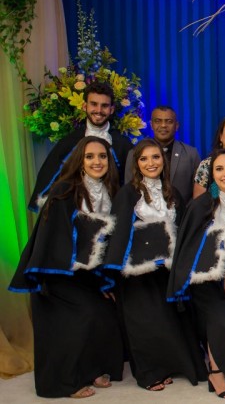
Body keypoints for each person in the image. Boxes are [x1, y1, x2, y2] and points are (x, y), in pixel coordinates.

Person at [9, 136, 124, 398]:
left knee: (105, 313)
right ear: (80, 161)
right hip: (57, 274)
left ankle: (92, 368)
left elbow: (99, 246)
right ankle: (64, 382)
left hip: (86, 276)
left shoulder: (109, 192)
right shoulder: (63, 191)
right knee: (81, 315)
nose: (97, 161)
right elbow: (54, 242)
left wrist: (102, 281)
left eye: (102, 156)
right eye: (90, 156)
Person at [105, 138, 206, 391]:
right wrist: (111, 275)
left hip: (166, 272)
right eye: (144, 159)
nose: (151, 163)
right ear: (136, 164)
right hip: (137, 274)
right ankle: (149, 373)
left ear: (164, 161)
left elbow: (183, 232)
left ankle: (174, 365)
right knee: (144, 325)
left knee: (169, 321)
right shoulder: (127, 194)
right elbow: (117, 236)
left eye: (156, 158)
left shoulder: (174, 194)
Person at [168, 149, 225, 399]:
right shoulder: (201, 204)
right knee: (217, 317)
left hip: (222, 274)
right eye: (219, 169)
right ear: (211, 175)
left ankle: (224, 363)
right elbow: (189, 246)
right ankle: (215, 372)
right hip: (199, 276)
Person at [28, 81, 133, 211]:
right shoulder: (70, 141)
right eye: (94, 104)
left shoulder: (122, 143)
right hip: (76, 210)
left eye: (104, 106)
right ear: (84, 106)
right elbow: (51, 173)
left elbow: (131, 181)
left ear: (111, 110)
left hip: (113, 211)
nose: (99, 110)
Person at [125, 106, 201, 202]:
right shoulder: (135, 153)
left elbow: (199, 192)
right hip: (144, 212)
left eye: (169, 121)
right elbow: (129, 189)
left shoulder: (191, 154)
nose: (163, 125)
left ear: (177, 125)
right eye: (158, 121)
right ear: (151, 124)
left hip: (183, 213)